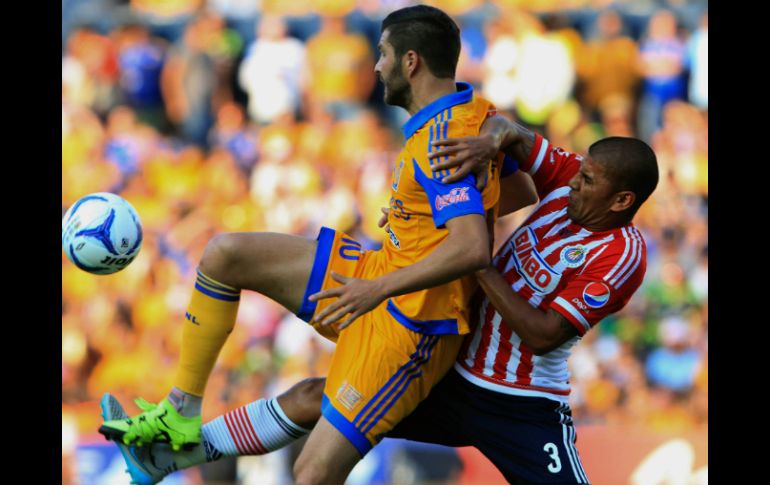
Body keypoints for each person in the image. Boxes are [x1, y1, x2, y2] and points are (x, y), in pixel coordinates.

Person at [103, 111, 658, 484]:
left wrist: (475, 260)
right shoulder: (567, 182)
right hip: (452, 367)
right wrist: (492, 142)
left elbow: (540, 335)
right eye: (580, 172)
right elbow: (511, 131)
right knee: (313, 397)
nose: (575, 182)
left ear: (622, 199)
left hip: (520, 404)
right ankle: (174, 454)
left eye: (590, 181)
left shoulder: (622, 253)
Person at [100, 5, 518, 484]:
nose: (375, 66)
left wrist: (380, 287)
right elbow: (512, 194)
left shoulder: (441, 140)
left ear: (410, 62)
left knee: (313, 473)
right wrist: (422, 216)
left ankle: (169, 456)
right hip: (382, 271)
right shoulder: (469, 115)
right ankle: (179, 416)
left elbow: (472, 248)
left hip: (412, 320)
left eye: (381, 54)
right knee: (226, 256)